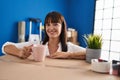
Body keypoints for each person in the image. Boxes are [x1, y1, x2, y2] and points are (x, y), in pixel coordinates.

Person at [2, 11, 86, 60]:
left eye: (55, 24)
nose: (51, 28)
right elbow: (5, 46)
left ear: (62, 27)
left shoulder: (69, 47)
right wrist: (19, 52)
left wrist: (68, 55)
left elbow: (92, 54)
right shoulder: (36, 44)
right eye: (48, 25)